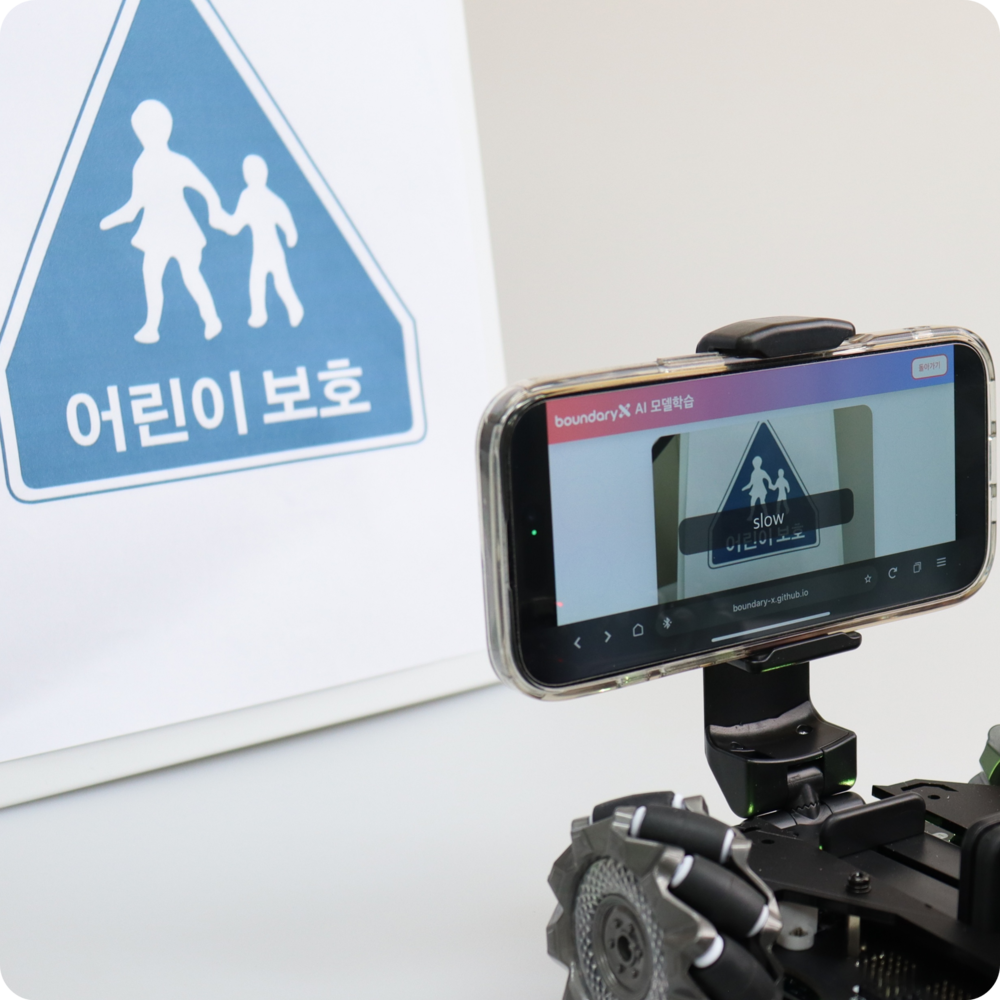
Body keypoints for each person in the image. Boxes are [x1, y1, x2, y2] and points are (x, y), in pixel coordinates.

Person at [100, 100, 229, 344]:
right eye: (142, 131)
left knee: (190, 274)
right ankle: (152, 327)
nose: (146, 136)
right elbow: (133, 207)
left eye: (150, 129)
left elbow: (205, 188)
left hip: (181, 232)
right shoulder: (143, 165)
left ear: (165, 129)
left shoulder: (176, 162)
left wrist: (215, 211)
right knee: (152, 276)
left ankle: (211, 319)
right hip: (157, 234)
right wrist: (109, 221)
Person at [223, 154, 304, 328]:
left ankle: (293, 307)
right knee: (259, 281)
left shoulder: (258, 197)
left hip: (271, 249)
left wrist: (290, 233)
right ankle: (260, 313)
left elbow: (282, 215)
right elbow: (236, 224)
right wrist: (223, 222)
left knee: (279, 282)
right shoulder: (250, 197)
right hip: (262, 250)